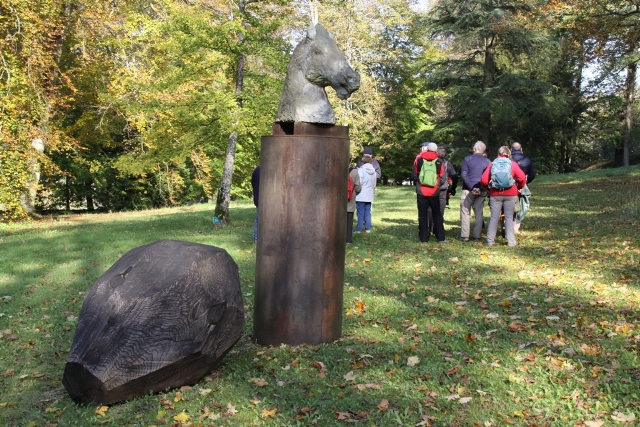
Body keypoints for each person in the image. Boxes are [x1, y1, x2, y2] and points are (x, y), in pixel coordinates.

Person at [480, 146, 527, 247]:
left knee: (494, 217)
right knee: (509, 217)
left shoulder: (492, 164)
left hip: (495, 194)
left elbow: (483, 180)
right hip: (511, 193)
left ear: (498, 153)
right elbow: (522, 177)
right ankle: (511, 241)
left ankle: (490, 241)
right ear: (509, 154)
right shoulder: (513, 164)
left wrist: (488, 189)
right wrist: (519, 187)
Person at [411, 142, 446, 243]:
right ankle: (440, 238)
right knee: (437, 214)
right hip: (434, 192)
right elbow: (443, 178)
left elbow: (413, 175)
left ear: (427, 149)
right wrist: (437, 184)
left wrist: (420, 182)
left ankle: (424, 238)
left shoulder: (419, 159)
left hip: (421, 191)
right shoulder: (439, 161)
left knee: (422, 214)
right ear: (436, 150)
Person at [459, 141, 491, 242]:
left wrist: (472, 188)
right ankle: (477, 236)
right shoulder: (488, 162)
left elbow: (464, 175)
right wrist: (480, 188)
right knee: (479, 213)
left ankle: (465, 236)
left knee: (465, 211)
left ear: (474, 149)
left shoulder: (467, 159)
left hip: (468, 190)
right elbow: (489, 177)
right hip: (482, 190)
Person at [510, 142, 536, 233]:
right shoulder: (527, 160)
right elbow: (532, 174)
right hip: (522, 186)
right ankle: (516, 224)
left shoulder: (507, 160)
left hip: (509, 185)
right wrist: (526, 181)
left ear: (511, 150)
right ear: (521, 149)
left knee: (508, 203)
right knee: (523, 204)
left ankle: (507, 222)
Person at [355, 156, 377, 233]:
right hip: (369, 194)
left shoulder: (361, 170)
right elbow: (374, 184)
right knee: (368, 212)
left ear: (363, 162)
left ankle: (359, 229)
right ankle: (368, 228)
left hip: (361, 194)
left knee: (360, 212)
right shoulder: (374, 171)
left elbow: (359, 182)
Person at [347, 165, 362, 243]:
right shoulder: (354, 171)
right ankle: (348, 240)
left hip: (337, 199)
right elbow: (358, 187)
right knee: (349, 220)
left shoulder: (336, 169)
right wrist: (354, 193)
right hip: (350, 198)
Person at [251, 166, 260, 243]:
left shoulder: (256, 170)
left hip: (258, 199)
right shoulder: (271, 170)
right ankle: (256, 238)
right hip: (264, 199)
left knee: (258, 219)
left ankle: (256, 238)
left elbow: (253, 184)